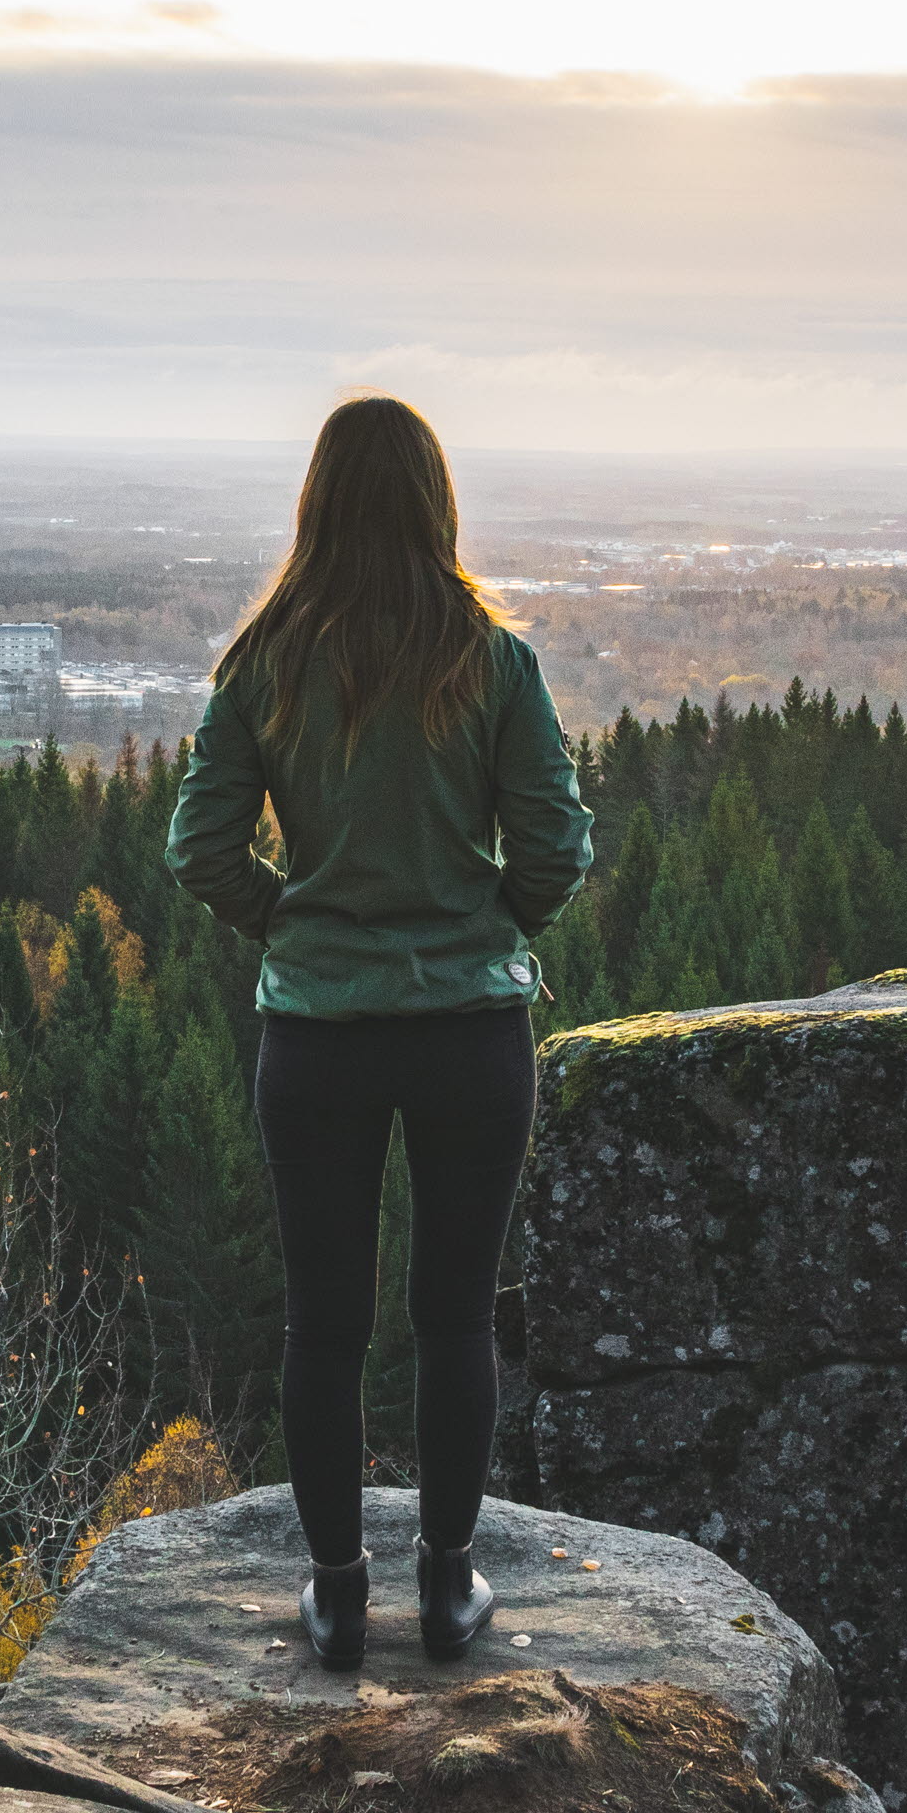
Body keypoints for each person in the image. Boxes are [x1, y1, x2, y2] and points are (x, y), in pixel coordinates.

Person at [167, 393, 595, 1672]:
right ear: (434, 499)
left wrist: (292, 923)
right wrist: (485, 926)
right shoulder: (491, 657)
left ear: (315, 501)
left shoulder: (264, 660)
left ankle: (339, 1592)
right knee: (456, 1317)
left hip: (319, 1037)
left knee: (324, 1323)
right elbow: (558, 848)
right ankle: (450, 1585)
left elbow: (197, 850)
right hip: (471, 1032)